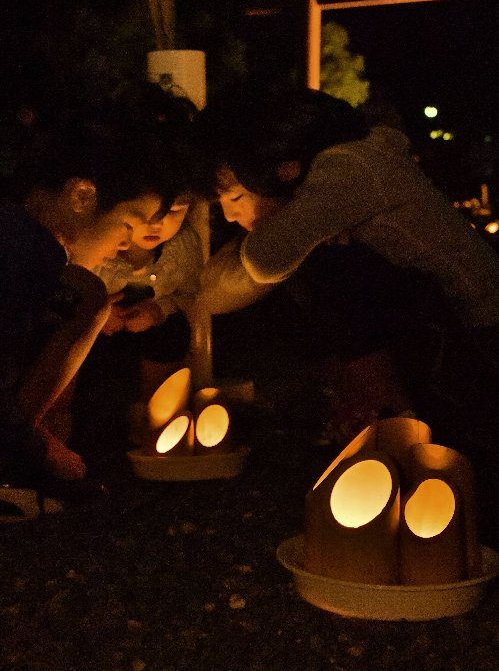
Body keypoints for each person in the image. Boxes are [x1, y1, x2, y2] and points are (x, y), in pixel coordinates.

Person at [193, 85, 499, 445]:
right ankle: (364, 407)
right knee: (301, 279)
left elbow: (262, 261)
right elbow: (219, 287)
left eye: (236, 197)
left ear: (283, 167)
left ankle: (395, 424)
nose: (230, 215)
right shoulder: (351, 161)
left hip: (478, 334)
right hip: (447, 327)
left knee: (326, 269)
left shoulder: (350, 167)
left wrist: (292, 235)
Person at [0, 110, 175, 502]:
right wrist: (40, 450)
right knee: (89, 295)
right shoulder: (26, 255)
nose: (127, 245)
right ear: (82, 196)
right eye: (128, 225)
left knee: (87, 291)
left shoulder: (20, 236)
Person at [93, 187, 202, 404]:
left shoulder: (183, 245)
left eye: (173, 211)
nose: (156, 223)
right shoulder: (97, 240)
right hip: (96, 328)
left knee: (173, 333)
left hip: (153, 328)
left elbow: (188, 293)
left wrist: (159, 311)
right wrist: (98, 313)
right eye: (146, 211)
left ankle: (157, 412)